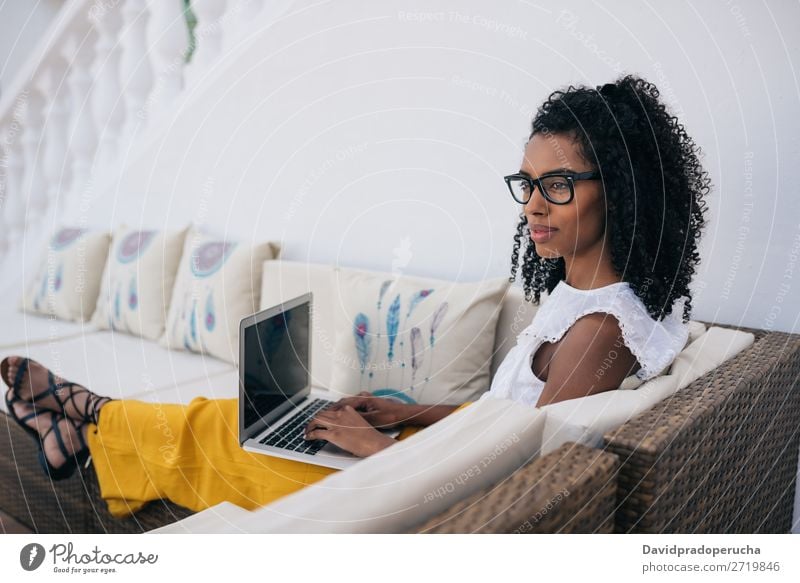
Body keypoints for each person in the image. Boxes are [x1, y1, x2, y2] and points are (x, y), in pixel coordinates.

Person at [2, 74, 709, 519]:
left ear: (623, 192)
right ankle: (81, 421)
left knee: (229, 432)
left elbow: (522, 497)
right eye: (527, 183)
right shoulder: (587, 300)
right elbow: (509, 424)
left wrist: (379, 449)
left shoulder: (598, 333)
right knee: (242, 415)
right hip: (419, 451)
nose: (532, 205)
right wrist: (411, 411)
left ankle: (82, 421)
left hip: (402, 491)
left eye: (556, 184)